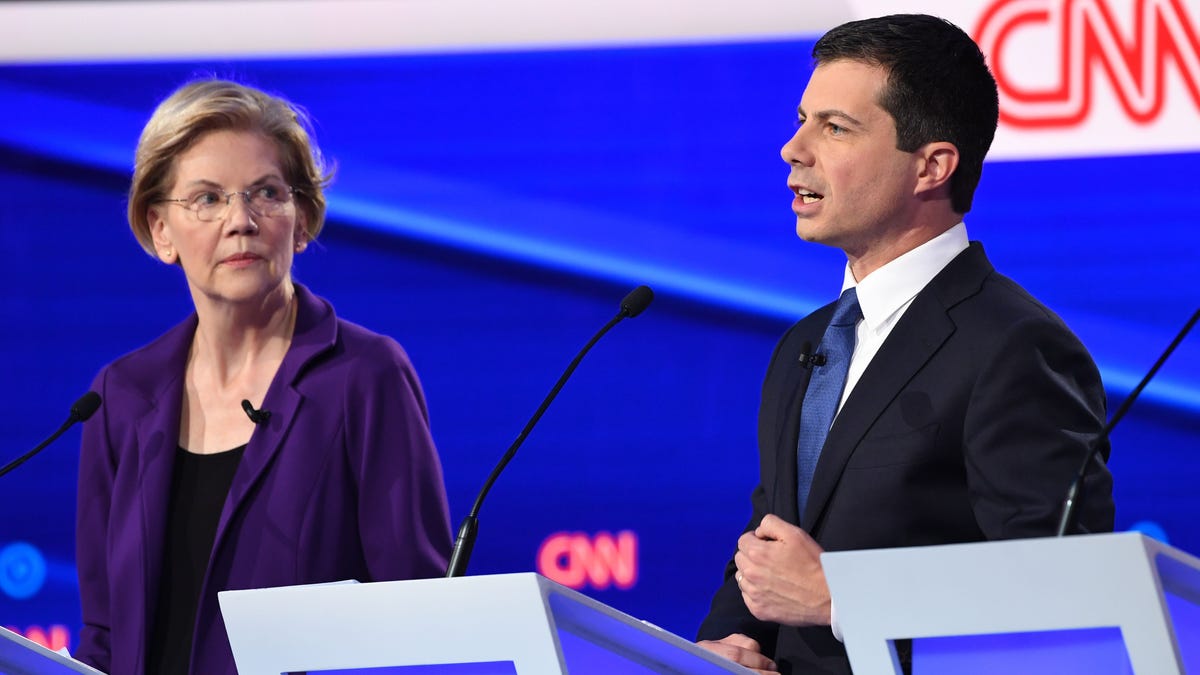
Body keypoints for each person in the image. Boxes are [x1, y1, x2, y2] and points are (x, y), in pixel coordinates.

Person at [695, 14, 1115, 675]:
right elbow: (773, 539)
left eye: (835, 127)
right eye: (803, 119)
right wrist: (723, 643)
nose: (793, 148)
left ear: (932, 166)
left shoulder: (1014, 345)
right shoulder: (805, 343)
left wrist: (842, 596)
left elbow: (1066, 597)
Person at [74, 80, 453, 675]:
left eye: (266, 193)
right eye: (207, 198)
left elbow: (420, 618)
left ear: (301, 221)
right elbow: (105, 632)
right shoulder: (120, 396)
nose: (241, 220)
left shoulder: (364, 377)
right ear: (160, 230)